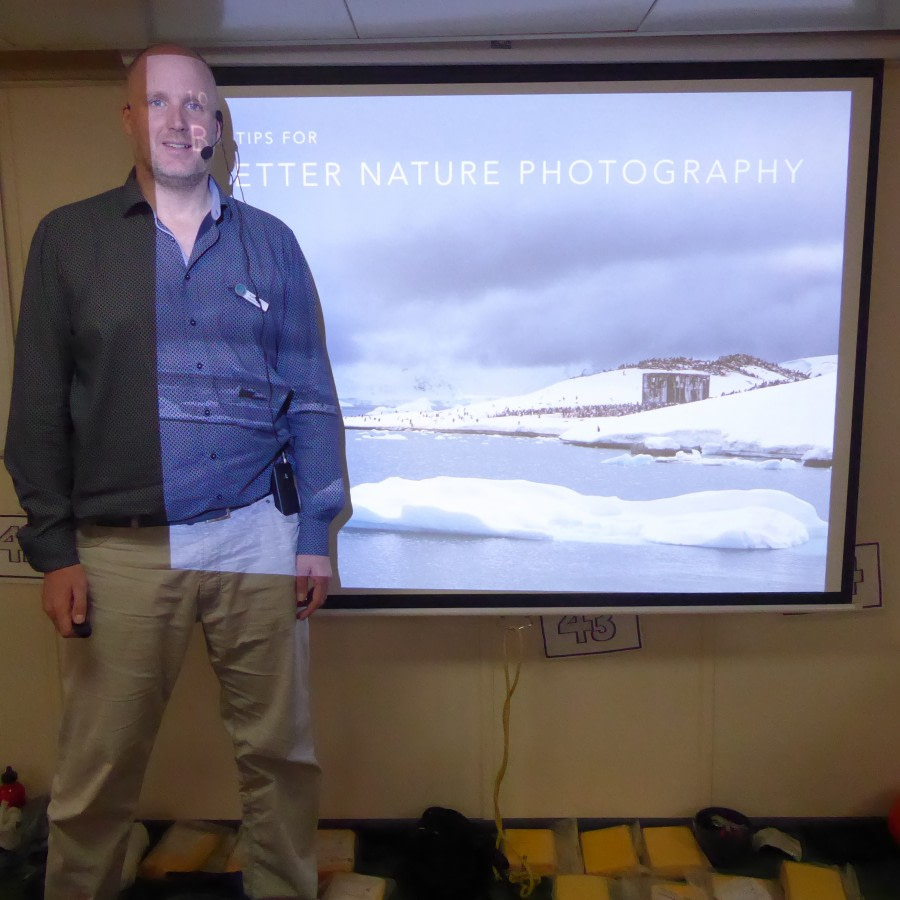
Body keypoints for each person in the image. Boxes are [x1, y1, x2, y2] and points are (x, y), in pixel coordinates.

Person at [4, 44, 346, 900]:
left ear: (219, 127)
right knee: (99, 766)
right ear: (128, 118)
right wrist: (54, 552)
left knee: (280, 755)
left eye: (197, 105)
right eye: (158, 102)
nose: (179, 120)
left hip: (257, 536)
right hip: (119, 551)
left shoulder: (271, 244)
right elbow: (37, 408)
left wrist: (315, 536)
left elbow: (310, 397)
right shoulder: (69, 240)